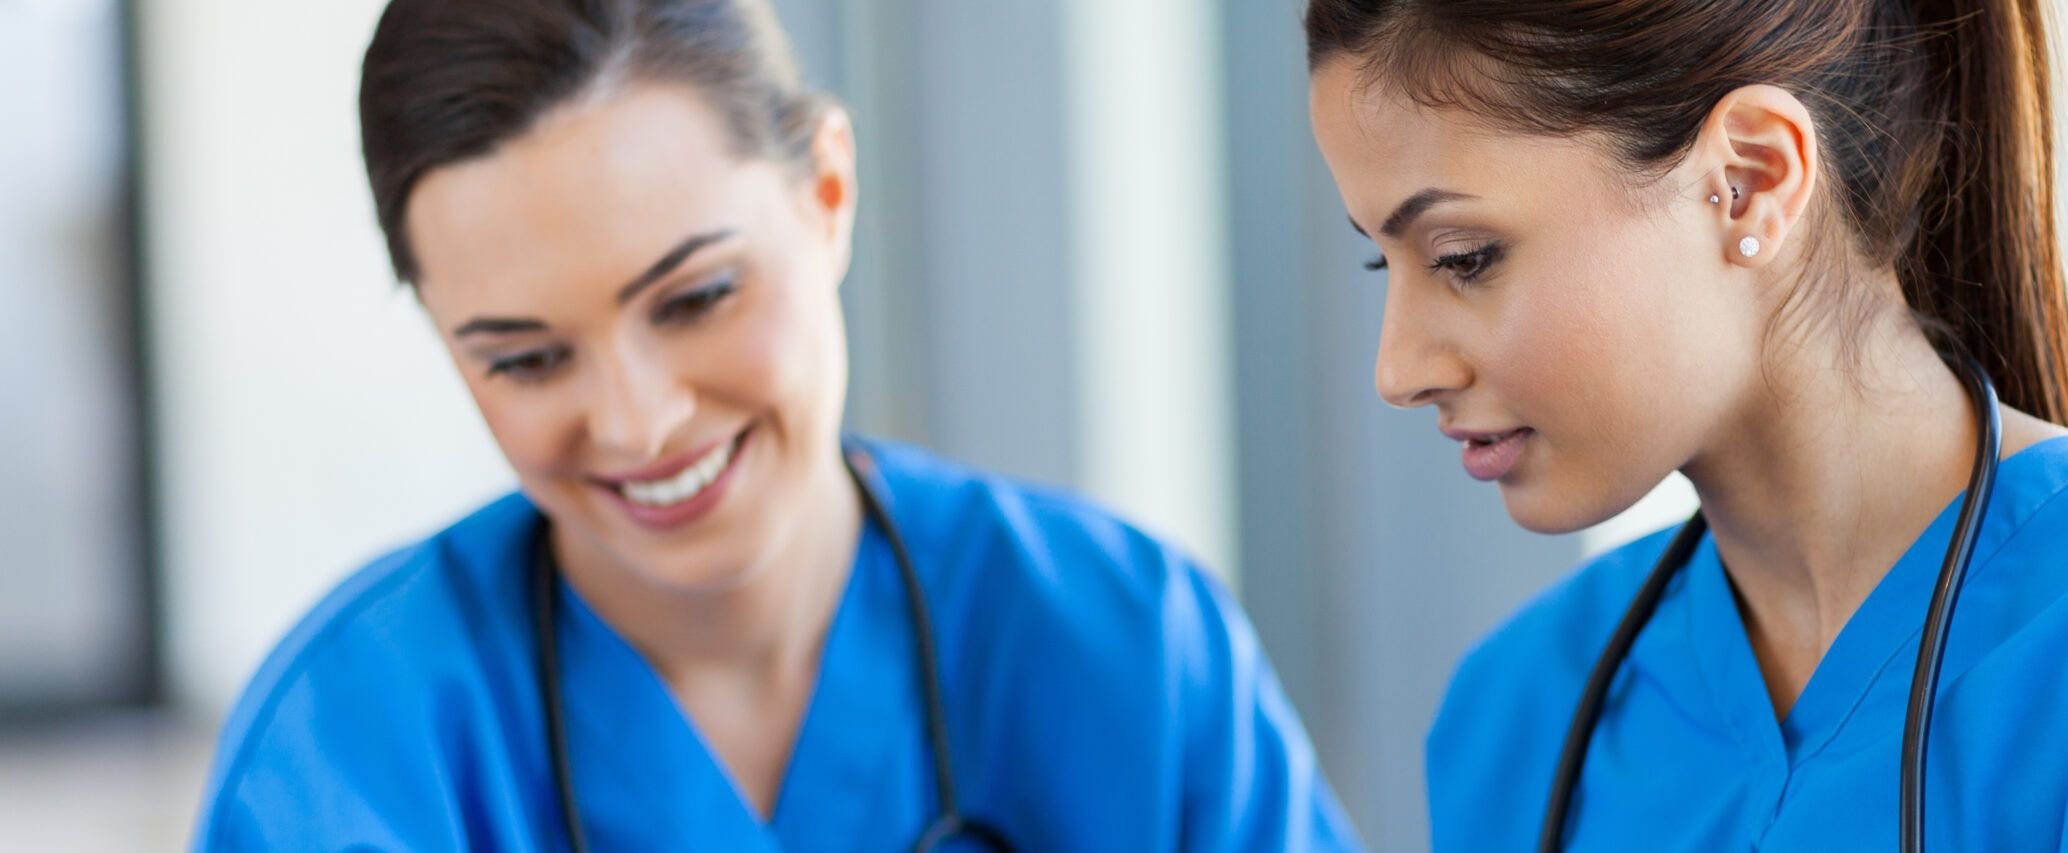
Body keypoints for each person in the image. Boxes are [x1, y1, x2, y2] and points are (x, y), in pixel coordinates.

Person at [193, 1, 1358, 849]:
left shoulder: (1122, 645)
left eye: (697, 298)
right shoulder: (352, 748)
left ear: (828, 195)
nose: (640, 421)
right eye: (529, 358)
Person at [1301, 0, 2068, 849]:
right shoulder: (1521, 718)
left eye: (1463, 258)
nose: (1397, 367)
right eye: (1380, 261)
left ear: (1747, 180)